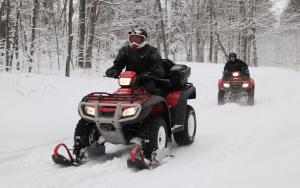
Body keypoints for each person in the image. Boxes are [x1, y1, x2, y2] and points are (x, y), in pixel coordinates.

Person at [105, 28, 165, 95]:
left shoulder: (152, 51)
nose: (134, 42)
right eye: (132, 39)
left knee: (149, 91)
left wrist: (147, 75)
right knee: (122, 92)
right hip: (130, 80)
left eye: (137, 40)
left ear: (143, 40)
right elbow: (118, 65)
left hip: (146, 80)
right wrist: (113, 71)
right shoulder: (125, 50)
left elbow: (159, 70)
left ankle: (153, 104)